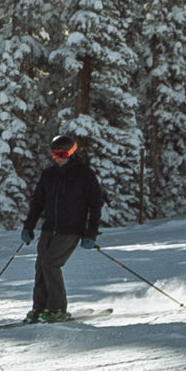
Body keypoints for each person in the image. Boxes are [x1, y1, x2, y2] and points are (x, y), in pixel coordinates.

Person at [20, 134, 107, 324]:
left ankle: (57, 308)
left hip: (71, 229)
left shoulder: (84, 174)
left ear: (72, 152)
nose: (58, 157)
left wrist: (90, 233)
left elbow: (95, 205)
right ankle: (39, 307)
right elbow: (37, 203)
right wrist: (29, 227)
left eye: (63, 153)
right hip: (50, 228)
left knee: (51, 263)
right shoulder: (49, 175)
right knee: (41, 264)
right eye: (54, 154)